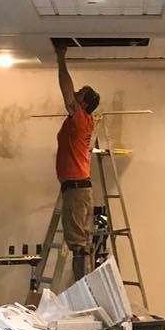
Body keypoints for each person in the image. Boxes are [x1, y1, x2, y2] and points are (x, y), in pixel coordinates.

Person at [54, 45, 101, 281]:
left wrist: (61, 59)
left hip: (76, 188)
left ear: (83, 103)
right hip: (78, 187)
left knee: (77, 244)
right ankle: (85, 286)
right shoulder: (83, 119)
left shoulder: (80, 118)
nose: (75, 93)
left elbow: (66, 91)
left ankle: (82, 288)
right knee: (80, 241)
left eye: (79, 93)